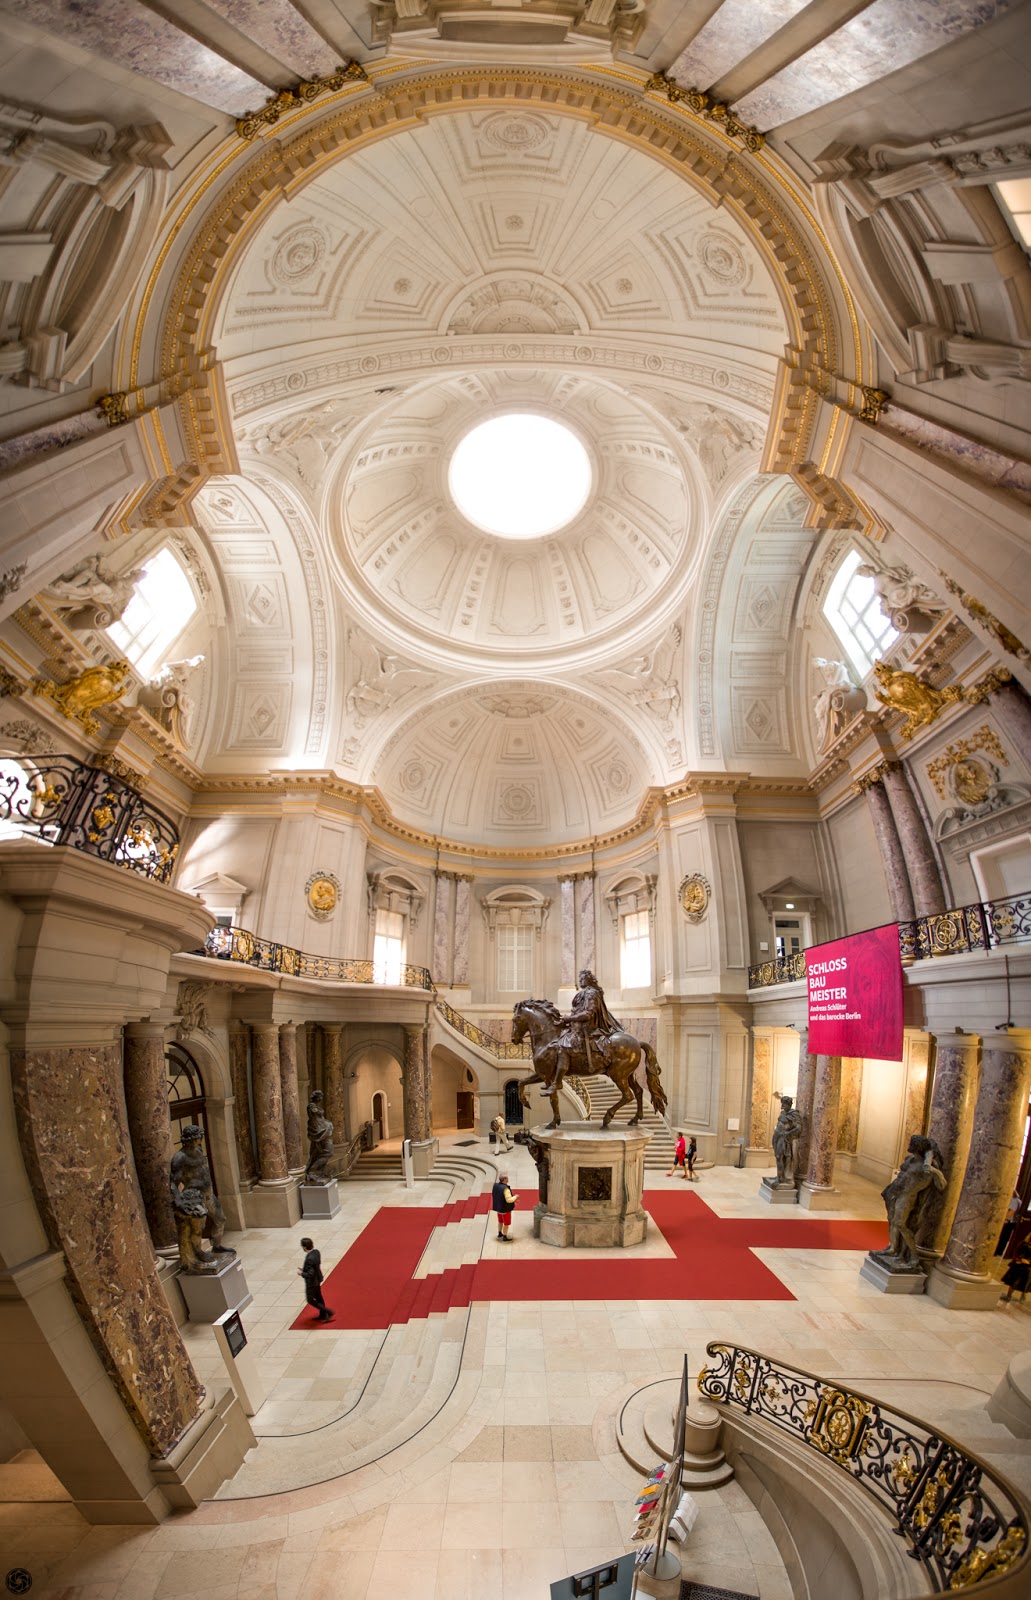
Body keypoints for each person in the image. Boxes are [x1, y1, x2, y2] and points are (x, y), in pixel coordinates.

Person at [298, 1236, 334, 1321]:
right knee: (319, 1298)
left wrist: (302, 1273)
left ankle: (328, 1311)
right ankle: (323, 1315)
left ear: (305, 1247)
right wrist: (304, 1269)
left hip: (312, 1283)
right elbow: (314, 1267)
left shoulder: (309, 1258)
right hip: (318, 1279)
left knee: (310, 1300)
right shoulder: (316, 1252)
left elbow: (310, 1273)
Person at [1000, 1237, 1031, 1304]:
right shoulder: (1023, 1243)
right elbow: (1016, 1251)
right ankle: (1009, 1296)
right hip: (1019, 1265)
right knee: (1014, 1282)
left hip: (1028, 1267)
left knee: (1026, 1283)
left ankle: (1023, 1295)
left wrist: (1028, 1262)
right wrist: (1018, 1259)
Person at [491, 1171, 518, 1241]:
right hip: (505, 1209)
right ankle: (505, 1236)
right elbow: (508, 1200)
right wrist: (515, 1197)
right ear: (505, 1179)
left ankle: (500, 1233)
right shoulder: (505, 1189)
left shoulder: (496, 1186)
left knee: (500, 1221)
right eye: (507, 1178)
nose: (508, 1179)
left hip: (498, 1208)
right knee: (506, 1223)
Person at [996, 1189, 1022, 1255]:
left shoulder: (1013, 1200)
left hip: (1009, 1221)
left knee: (1003, 1238)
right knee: (1005, 1238)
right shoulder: (1019, 1201)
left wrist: (1004, 1218)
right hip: (1014, 1221)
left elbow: (1011, 1211)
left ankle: (998, 1252)